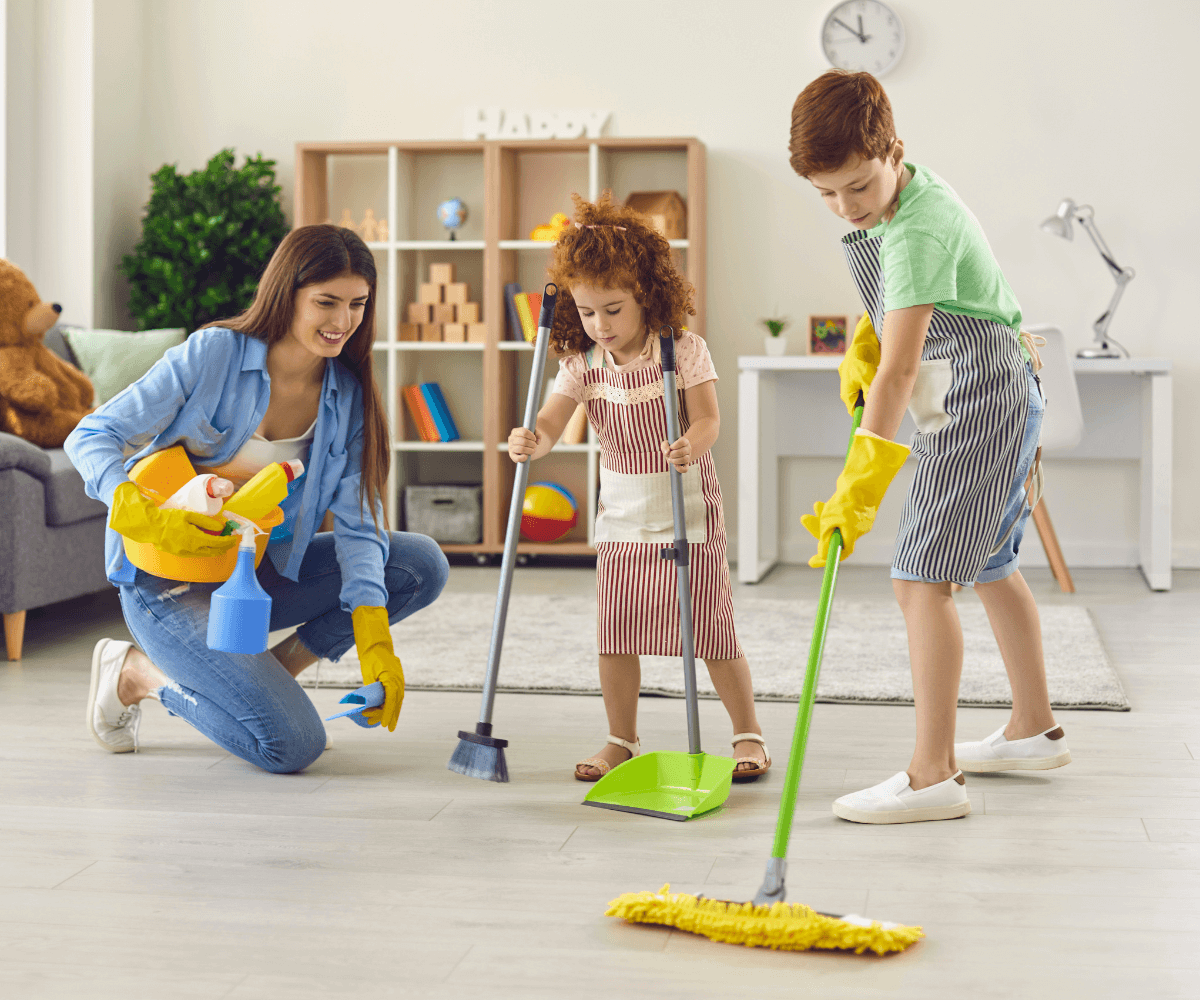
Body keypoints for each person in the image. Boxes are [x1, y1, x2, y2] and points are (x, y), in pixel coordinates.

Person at [789, 70, 1069, 824]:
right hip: (989, 387)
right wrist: (868, 333)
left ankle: (932, 776)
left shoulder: (916, 227)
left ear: (891, 150)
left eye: (856, 186)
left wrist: (862, 483)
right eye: (827, 194)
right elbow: (912, 313)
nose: (846, 207)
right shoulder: (908, 193)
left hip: (981, 397)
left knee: (920, 580)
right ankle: (1033, 727)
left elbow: (902, 370)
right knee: (988, 563)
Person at [66, 225, 448, 773]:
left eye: (358, 304)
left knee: (418, 563)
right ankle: (138, 675)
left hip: (256, 576)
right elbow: (91, 434)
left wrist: (373, 637)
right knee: (291, 747)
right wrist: (132, 506)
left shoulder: (347, 395)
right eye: (326, 302)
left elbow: (361, 524)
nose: (343, 322)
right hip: (169, 583)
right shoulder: (215, 354)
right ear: (286, 293)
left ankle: (264, 678)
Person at [507, 194, 770, 782]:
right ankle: (620, 739)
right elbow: (551, 420)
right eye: (588, 311)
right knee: (616, 627)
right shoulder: (583, 364)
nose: (601, 325)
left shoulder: (682, 350)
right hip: (622, 512)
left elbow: (708, 420)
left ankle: (747, 734)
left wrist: (693, 443)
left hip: (687, 510)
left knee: (710, 626)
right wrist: (534, 439)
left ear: (647, 295)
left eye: (614, 309)